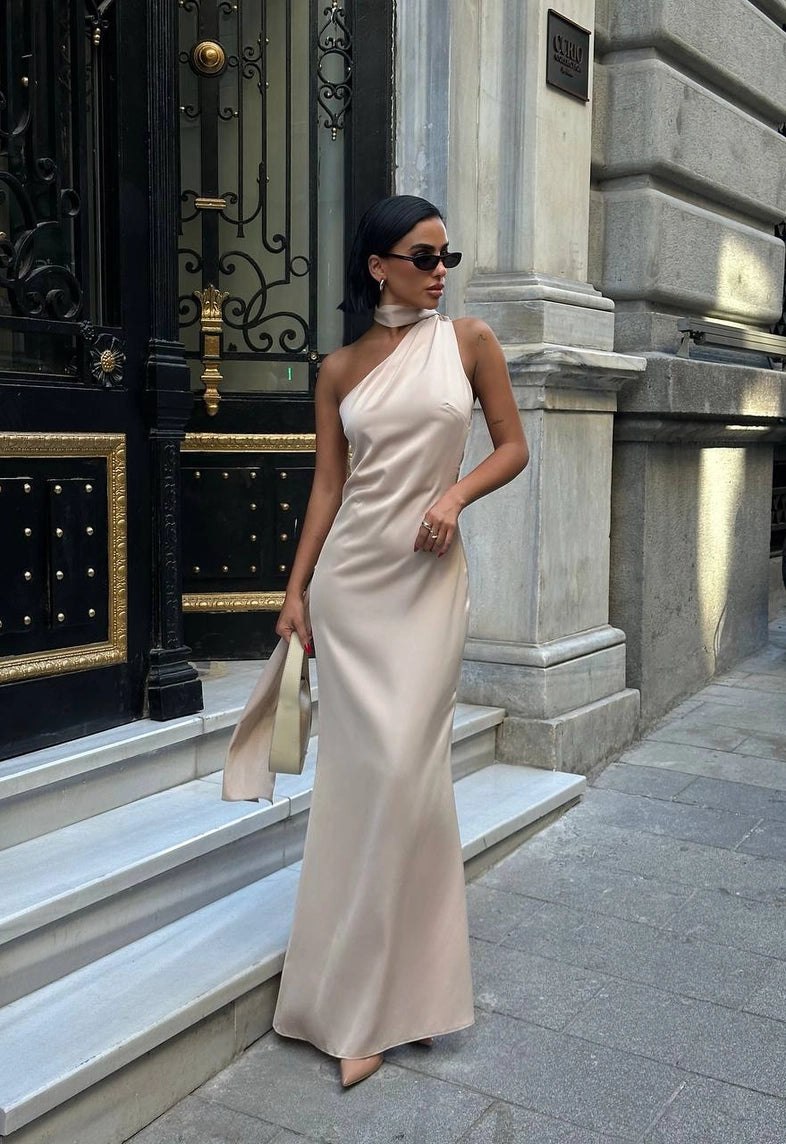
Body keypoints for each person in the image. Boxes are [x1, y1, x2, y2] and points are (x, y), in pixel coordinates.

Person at [224, 194, 528, 1089]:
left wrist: (454, 495)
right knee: (366, 787)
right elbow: (328, 486)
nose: (441, 272)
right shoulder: (339, 369)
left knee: (409, 776)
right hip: (353, 589)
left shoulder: (468, 341)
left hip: (429, 588)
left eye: (448, 257)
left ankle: (410, 992)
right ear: (377, 266)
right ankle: (359, 1006)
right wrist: (295, 589)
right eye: (423, 256)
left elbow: (511, 446)